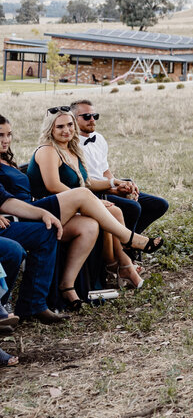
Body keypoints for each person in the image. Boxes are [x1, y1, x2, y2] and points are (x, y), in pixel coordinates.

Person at [25, 108, 163, 308]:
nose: (66, 130)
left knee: (111, 212)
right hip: (47, 209)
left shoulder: (72, 150)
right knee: (105, 209)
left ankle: (80, 280)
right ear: (50, 129)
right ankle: (128, 244)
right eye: (60, 126)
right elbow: (52, 186)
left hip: (70, 209)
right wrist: (92, 202)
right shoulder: (48, 150)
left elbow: (86, 183)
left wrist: (114, 184)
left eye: (70, 125)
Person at [72, 100, 170, 276]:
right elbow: (84, 182)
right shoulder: (71, 144)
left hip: (108, 186)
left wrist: (122, 184)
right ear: (73, 118)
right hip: (92, 192)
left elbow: (105, 171)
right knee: (133, 207)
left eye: (95, 116)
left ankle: (127, 243)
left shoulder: (99, 139)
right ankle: (126, 255)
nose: (92, 119)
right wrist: (113, 188)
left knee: (159, 204)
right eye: (87, 116)